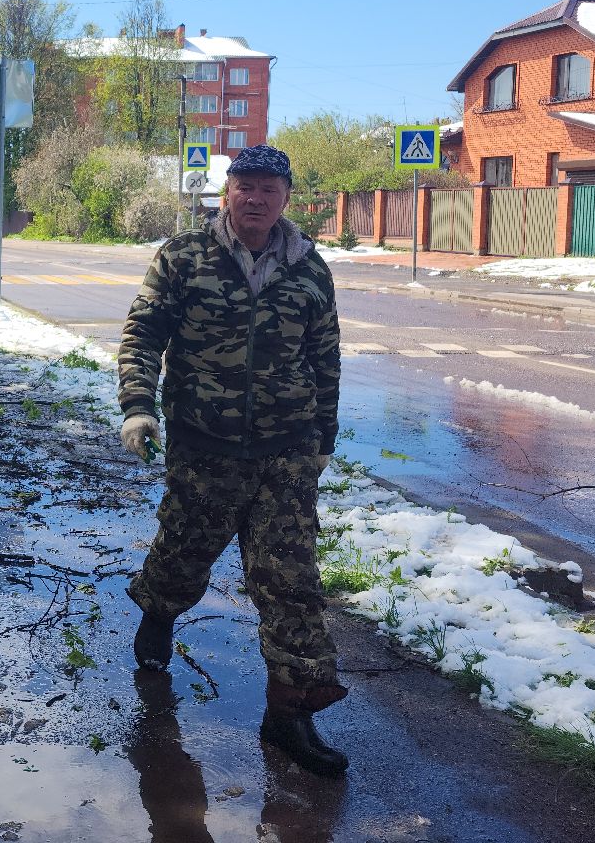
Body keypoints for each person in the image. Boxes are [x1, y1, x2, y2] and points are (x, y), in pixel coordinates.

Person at [116, 144, 348, 777]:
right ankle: (159, 612)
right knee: (183, 550)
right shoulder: (183, 258)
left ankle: (289, 715)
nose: (255, 198)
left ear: (285, 199)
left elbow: (325, 357)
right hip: (204, 445)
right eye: (244, 185)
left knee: (290, 582)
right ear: (227, 193)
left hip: (287, 451)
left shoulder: (310, 269)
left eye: (268, 188)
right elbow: (142, 335)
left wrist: (323, 437)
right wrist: (138, 406)